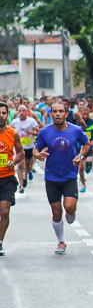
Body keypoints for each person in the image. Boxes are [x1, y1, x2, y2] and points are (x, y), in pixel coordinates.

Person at [34, 102, 92, 254]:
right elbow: (36, 148)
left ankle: (71, 212)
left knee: (70, 207)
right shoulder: (45, 132)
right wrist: (37, 154)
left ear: (66, 114)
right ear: (50, 114)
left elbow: (86, 144)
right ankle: (61, 241)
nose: (58, 114)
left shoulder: (76, 130)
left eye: (61, 111)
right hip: (52, 177)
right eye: (55, 111)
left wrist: (80, 155)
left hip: (69, 175)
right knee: (56, 211)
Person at [0, 102, 26, 256]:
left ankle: (0, 242)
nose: (1, 116)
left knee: (4, 210)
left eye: (4, 113)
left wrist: (14, 162)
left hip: (7, 178)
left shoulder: (13, 133)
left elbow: (21, 152)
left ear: (8, 115)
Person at [11, 104, 39, 193]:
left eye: (24, 111)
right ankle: (21, 185)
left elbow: (38, 132)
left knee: (27, 164)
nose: (22, 113)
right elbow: (10, 131)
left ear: (27, 112)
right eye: (20, 111)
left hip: (29, 146)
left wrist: (30, 132)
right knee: (20, 165)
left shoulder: (31, 121)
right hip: (19, 147)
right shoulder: (14, 122)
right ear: (18, 112)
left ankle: (26, 175)